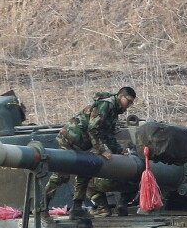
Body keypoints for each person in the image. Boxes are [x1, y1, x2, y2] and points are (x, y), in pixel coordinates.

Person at [44, 87, 136, 217]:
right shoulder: (106, 105)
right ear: (121, 96)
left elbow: (109, 135)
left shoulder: (113, 111)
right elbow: (93, 129)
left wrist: (119, 150)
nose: (129, 105)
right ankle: (43, 206)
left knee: (85, 172)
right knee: (61, 174)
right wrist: (101, 150)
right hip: (71, 139)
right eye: (129, 101)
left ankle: (76, 207)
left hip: (83, 144)